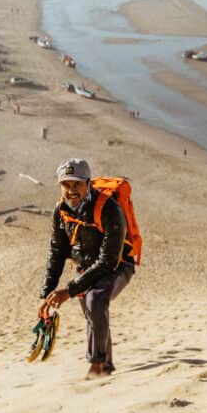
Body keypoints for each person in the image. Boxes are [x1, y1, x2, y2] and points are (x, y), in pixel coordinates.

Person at [38, 158, 136, 378]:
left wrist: (69, 290)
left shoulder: (110, 209)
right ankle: (107, 365)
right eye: (66, 185)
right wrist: (47, 294)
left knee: (96, 300)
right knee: (92, 313)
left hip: (118, 266)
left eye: (77, 184)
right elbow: (56, 251)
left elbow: (108, 261)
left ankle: (98, 365)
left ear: (88, 183)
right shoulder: (61, 210)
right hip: (85, 267)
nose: (71, 191)